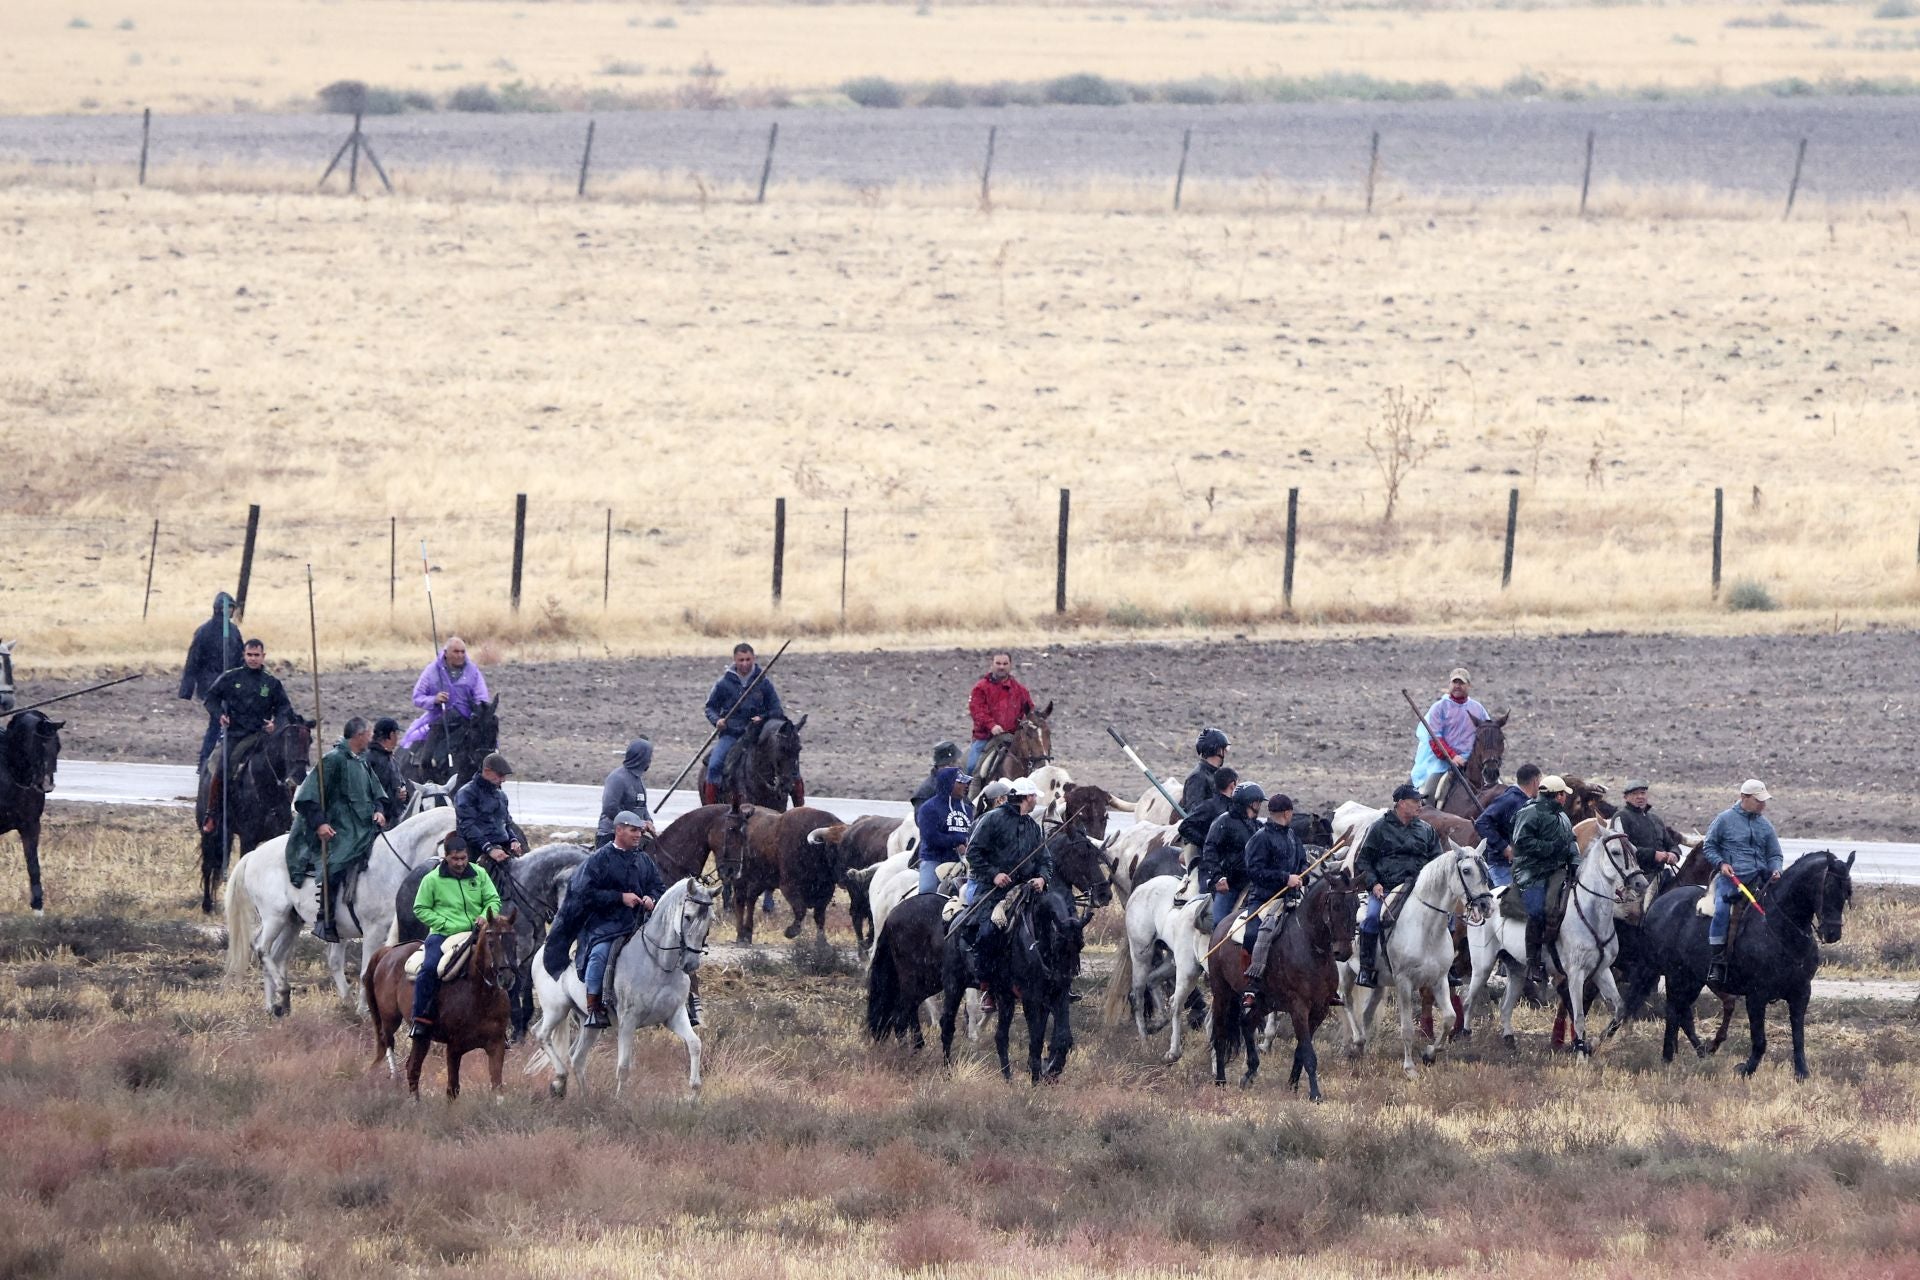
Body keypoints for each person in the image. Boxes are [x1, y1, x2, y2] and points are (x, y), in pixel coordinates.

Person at [551, 811, 667, 1028]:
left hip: (639, 923)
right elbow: (584, 894)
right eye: (633, 830)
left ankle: (678, 1003)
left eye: (640, 831)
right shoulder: (598, 860)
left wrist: (652, 898)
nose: (638, 835)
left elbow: (658, 886)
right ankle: (594, 1007)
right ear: (619, 830)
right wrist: (619, 897)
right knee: (599, 954)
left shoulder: (643, 859)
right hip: (605, 923)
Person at [288, 716, 390, 944]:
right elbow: (308, 798)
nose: (371, 738)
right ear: (359, 735)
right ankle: (326, 918)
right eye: (368, 733)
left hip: (365, 825)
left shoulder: (362, 761)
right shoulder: (332, 761)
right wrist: (320, 823)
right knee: (337, 859)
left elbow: (377, 793)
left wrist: (379, 809)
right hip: (341, 827)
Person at [409, 831, 502, 1037]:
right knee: (430, 968)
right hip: (442, 936)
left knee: (501, 965)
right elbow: (420, 908)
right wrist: (445, 923)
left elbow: (493, 900)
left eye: (463, 858)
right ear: (446, 857)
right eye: (455, 859)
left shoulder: (479, 874)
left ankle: (501, 1021)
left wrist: (485, 916)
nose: (460, 863)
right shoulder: (431, 879)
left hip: (477, 933)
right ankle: (420, 1018)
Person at [1352, 783, 1444, 988]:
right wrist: (1373, 883)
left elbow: (1437, 860)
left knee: (1447, 917)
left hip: (1419, 889)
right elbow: (1364, 861)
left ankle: (1448, 967)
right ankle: (1367, 970)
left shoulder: (1426, 830)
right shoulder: (1379, 828)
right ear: (1401, 804)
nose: (1420, 805)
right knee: (1371, 920)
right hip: (1385, 888)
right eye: (1415, 801)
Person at [961, 776, 1048, 990]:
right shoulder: (992, 819)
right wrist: (994, 875)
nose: (1036, 799)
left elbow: (1045, 859)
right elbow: (973, 853)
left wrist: (1042, 878)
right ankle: (986, 982)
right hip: (992, 890)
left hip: (1026, 890)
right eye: (1035, 795)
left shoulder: (1032, 826)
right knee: (989, 931)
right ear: (1027, 797)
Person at [201, 638, 298, 817]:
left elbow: (285, 709)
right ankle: (212, 812)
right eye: (249, 655)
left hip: (262, 735)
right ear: (244, 655)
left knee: (288, 767)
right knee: (222, 766)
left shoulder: (271, 683)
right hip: (236, 734)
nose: (253, 659)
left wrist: (275, 724)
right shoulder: (230, 677)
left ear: (263, 656)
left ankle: (286, 814)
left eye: (256, 655)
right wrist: (219, 715)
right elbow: (211, 699)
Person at [1702, 779, 1783, 986]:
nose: (1763, 805)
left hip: (1761, 879)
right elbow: (1709, 846)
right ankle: (1717, 961)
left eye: (1764, 801)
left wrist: (1776, 869)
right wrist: (1721, 864)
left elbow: (1774, 854)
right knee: (1721, 909)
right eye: (1758, 801)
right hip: (1732, 879)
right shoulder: (1724, 820)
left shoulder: (1765, 825)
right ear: (1744, 798)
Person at [1240, 793, 1311, 1010]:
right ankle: (1251, 985)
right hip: (1264, 898)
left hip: (1292, 897)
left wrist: (1301, 876)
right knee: (1253, 933)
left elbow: (1302, 863)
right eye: (1291, 813)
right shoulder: (1260, 838)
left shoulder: (1292, 836)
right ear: (1287, 813)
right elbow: (1254, 871)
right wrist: (1285, 878)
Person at [1511, 775, 1579, 997]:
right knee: (1538, 911)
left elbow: (1570, 843)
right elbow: (1521, 843)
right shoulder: (1529, 813)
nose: (1565, 799)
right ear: (1556, 795)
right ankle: (1533, 961)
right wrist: (1551, 847)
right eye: (1563, 795)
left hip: (1557, 870)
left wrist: (1576, 862)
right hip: (1531, 871)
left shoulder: (1563, 817)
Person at [702, 642, 790, 806]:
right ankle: (710, 809)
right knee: (714, 766)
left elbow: (777, 710)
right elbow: (710, 708)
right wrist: (717, 721)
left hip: (757, 736)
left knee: (787, 761)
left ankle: (798, 805)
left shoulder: (764, 683)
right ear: (735, 660)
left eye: (748, 659)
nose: (744, 664)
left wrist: (763, 718)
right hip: (731, 734)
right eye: (741, 660)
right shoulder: (723, 683)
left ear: (753, 659)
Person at [178, 591, 246, 767]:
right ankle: (205, 762)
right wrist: (187, 690)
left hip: (230, 684)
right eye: (228, 608)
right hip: (210, 686)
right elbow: (193, 660)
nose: (230, 612)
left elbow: (240, 657)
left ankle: (221, 761)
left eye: (232, 608)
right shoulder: (204, 631)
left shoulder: (233, 631)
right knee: (217, 722)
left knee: (225, 724)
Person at [399, 637, 490, 758]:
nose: (460, 655)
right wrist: (434, 700)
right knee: (426, 755)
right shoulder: (432, 671)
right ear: (446, 653)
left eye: (463, 652)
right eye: (456, 652)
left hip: (468, 722)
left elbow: (482, 698)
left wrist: (478, 714)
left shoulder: (473, 672)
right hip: (439, 720)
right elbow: (417, 697)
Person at [1410, 668, 1489, 801]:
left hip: (1471, 762)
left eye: (1461, 683)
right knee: (1428, 794)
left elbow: (1487, 735)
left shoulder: (1478, 709)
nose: (1457, 686)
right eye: (1454, 682)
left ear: (1469, 686)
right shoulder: (1439, 708)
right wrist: (1452, 756)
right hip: (1443, 763)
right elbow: (1435, 738)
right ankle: (1424, 820)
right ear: (1449, 684)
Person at [455, 752, 523, 895]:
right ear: (487, 771)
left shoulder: (501, 796)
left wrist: (513, 839)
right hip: (475, 849)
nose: (503, 780)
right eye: (500, 775)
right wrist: (489, 849)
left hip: (502, 849)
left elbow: (505, 822)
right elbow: (467, 826)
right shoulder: (466, 793)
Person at [1199, 782, 1265, 929]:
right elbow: (1210, 849)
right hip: (1231, 884)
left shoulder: (1258, 826)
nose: (1259, 806)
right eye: (1257, 802)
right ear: (1248, 803)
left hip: (1255, 881)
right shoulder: (1224, 821)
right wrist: (1218, 877)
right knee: (1220, 922)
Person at [1472, 763, 1542, 889]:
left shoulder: (1524, 801)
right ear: (1535, 781)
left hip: (1518, 868)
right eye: (1540, 780)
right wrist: (1504, 847)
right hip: (1502, 867)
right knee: (1506, 905)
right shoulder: (1510, 800)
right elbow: (1482, 822)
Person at [965, 652, 1034, 776]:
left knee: (1035, 764)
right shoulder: (981, 688)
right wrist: (991, 726)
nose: (1001, 667)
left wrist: (1029, 723)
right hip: (986, 738)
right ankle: (968, 794)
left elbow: (1030, 711)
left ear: (1010, 665)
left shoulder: (1020, 690)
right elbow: (977, 710)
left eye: (1005, 664)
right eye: (998, 663)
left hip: (1013, 738)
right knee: (971, 768)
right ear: (991, 664)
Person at [914, 766, 973, 895]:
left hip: (963, 862)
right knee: (927, 893)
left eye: (966, 782)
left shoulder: (968, 809)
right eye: (960, 782)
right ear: (949, 784)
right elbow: (930, 838)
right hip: (934, 860)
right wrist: (959, 841)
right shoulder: (928, 808)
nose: (966, 786)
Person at [597, 738, 659, 847]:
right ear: (640, 758)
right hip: (612, 836)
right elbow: (610, 808)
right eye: (648, 757)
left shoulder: (638, 780)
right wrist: (638, 823)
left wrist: (648, 822)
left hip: (633, 836)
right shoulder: (617, 778)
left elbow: (642, 807)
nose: (650, 760)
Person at [1618, 779, 1682, 879]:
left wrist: (1674, 854)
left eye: (1643, 793)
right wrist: (1653, 855)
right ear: (1626, 797)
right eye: (1635, 793)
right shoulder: (1621, 817)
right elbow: (1621, 848)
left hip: (1660, 875)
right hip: (1634, 879)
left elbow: (1671, 844)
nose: (1640, 796)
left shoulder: (1655, 819)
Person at [1175, 766, 1238, 867]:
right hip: (1207, 860)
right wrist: (1207, 843)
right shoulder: (1209, 806)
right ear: (1233, 785)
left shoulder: (1236, 807)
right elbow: (1184, 827)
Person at [366, 717, 409, 829]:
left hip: (394, 818)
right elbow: (370, 790)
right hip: (379, 821)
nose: (398, 738)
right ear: (391, 735)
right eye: (397, 734)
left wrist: (403, 793)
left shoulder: (390, 758)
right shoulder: (371, 759)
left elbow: (399, 781)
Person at [1183, 728, 1231, 813]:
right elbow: (1194, 813)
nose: (1226, 753)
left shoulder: (1216, 775)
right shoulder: (1197, 777)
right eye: (1224, 749)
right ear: (1217, 750)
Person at [910, 741, 963, 808]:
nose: (958, 766)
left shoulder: (958, 784)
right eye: (955, 762)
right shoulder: (926, 791)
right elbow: (921, 817)